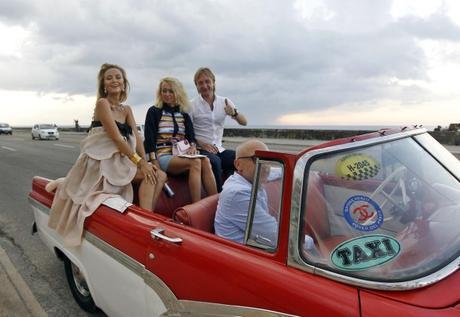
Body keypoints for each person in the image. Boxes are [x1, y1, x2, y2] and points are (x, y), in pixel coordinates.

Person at [47, 63, 166, 247]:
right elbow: (118, 139)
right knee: (149, 176)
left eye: (118, 77)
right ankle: (145, 223)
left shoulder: (126, 110)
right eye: (109, 78)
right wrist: (140, 162)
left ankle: (147, 216)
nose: (114, 80)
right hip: (101, 163)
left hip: (120, 160)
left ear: (124, 83)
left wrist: (149, 161)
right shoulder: (102, 104)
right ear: (103, 85)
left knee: (159, 174)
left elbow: (137, 138)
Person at [215, 139, 315, 250]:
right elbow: (275, 236)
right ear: (238, 164)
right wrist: (312, 243)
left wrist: (311, 172)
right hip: (243, 254)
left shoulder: (254, 175)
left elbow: (278, 171)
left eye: (268, 160)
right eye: (257, 160)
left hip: (257, 245)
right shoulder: (238, 193)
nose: (266, 166)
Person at [144, 77, 217, 203]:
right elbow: (149, 140)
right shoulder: (154, 111)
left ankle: (215, 202)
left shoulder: (183, 114)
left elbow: (191, 136)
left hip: (180, 153)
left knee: (205, 160)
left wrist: (193, 146)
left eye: (171, 91)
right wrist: (154, 163)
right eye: (164, 91)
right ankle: (197, 206)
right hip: (163, 155)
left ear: (177, 93)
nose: (167, 94)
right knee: (196, 163)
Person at [190, 67, 247, 192]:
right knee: (215, 162)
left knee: (239, 158)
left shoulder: (224, 102)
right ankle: (219, 197)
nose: (205, 86)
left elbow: (244, 122)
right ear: (196, 86)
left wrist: (234, 114)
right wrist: (201, 144)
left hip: (219, 148)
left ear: (213, 82)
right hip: (201, 149)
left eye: (207, 81)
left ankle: (234, 191)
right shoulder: (192, 105)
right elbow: (186, 132)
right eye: (200, 83)